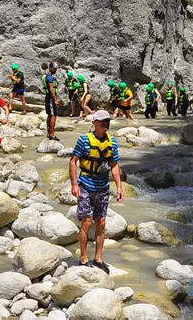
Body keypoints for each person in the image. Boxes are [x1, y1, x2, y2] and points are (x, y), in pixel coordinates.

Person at [69, 110, 123, 273]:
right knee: (86, 222)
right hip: (86, 184)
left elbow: (114, 165)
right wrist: (74, 184)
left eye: (107, 121)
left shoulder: (112, 142)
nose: (105, 123)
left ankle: (98, 259)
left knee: (101, 223)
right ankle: (84, 258)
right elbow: (73, 161)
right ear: (94, 123)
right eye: (101, 121)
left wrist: (119, 186)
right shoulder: (84, 140)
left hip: (103, 187)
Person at [43, 62, 60, 140]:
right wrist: (55, 99)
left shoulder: (47, 76)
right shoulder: (50, 77)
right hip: (50, 99)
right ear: (50, 68)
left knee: (50, 115)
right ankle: (52, 134)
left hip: (48, 97)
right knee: (53, 115)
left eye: (56, 69)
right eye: (54, 68)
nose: (55, 70)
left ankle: (49, 133)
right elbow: (51, 89)